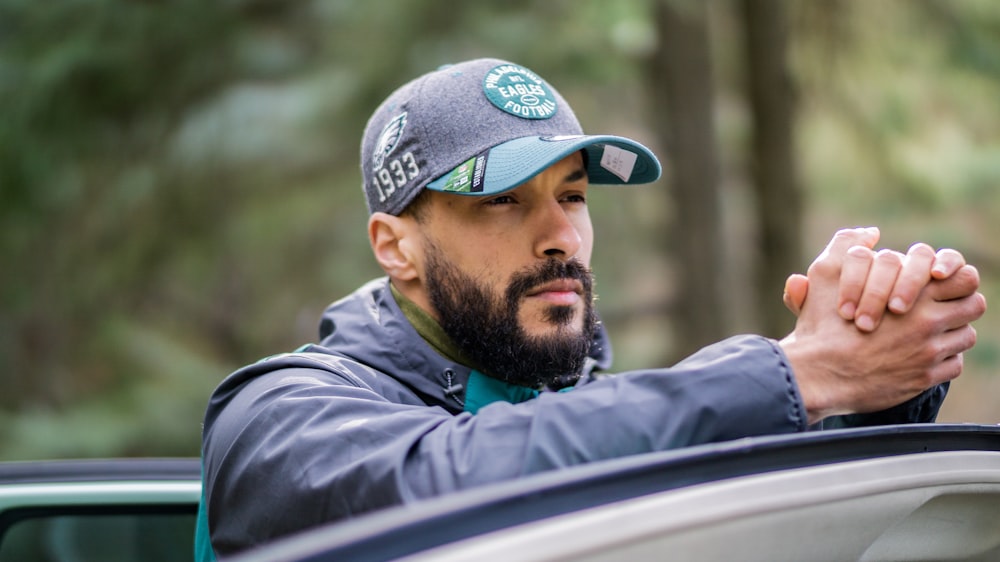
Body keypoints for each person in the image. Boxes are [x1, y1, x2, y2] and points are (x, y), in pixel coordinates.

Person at [195, 58, 985, 559]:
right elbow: (452, 479)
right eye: (504, 201)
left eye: (572, 195)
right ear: (395, 245)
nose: (561, 236)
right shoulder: (274, 416)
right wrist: (798, 372)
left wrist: (875, 386)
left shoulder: (584, 416)